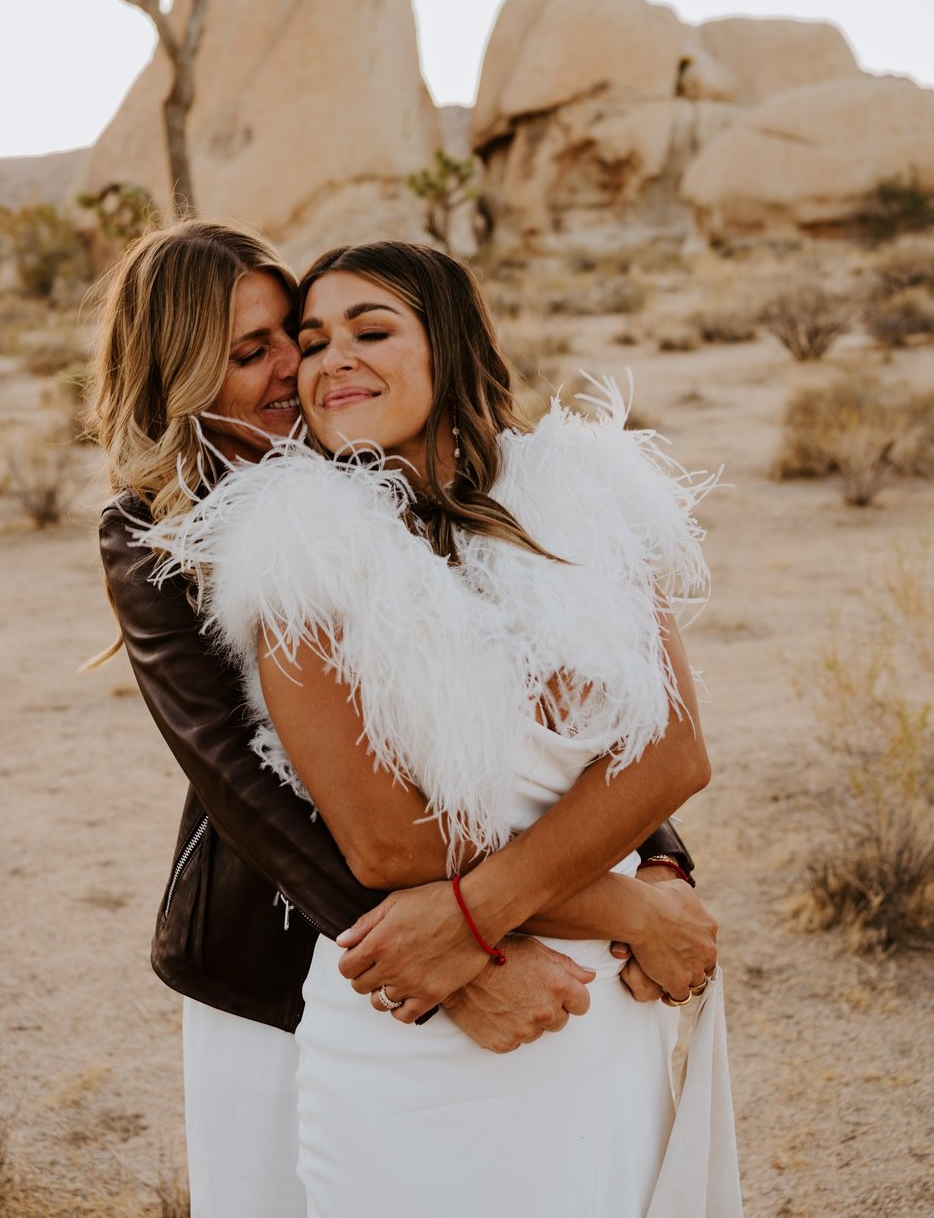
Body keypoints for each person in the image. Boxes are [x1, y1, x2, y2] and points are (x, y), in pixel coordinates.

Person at [91, 222, 718, 1217]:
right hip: (281, 945)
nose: (294, 368)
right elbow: (254, 797)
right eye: (251, 353)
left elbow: (536, 708)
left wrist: (655, 853)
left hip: (458, 909)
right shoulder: (155, 533)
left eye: (288, 336)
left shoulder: (366, 465)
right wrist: (522, 936)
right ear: (187, 375)